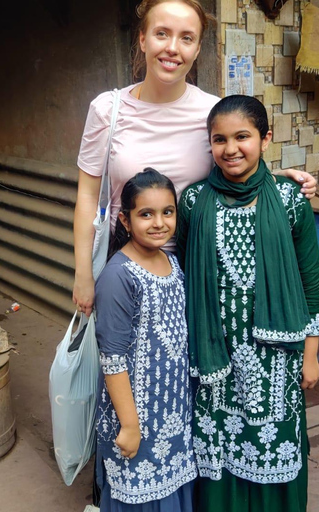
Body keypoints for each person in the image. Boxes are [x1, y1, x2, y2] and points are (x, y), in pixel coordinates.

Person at [73, 0, 318, 317]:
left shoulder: (212, 113)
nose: (173, 48)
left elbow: (234, 170)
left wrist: (281, 177)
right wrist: (83, 275)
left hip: (199, 268)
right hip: (125, 268)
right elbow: (87, 195)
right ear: (143, 39)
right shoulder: (108, 109)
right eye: (162, 33)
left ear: (198, 48)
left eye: (186, 38)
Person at [176, 95, 319, 512]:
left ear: (265, 138)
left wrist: (310, 355)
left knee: (274, 446)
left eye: (243, 136)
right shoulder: (193, 201)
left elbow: (311, 282)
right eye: (219, 139)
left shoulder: (290, 198)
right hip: (214, 355)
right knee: (219, 451)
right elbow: (188, 274)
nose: (231, 148)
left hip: (276, 359)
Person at [94, 169, 196, 511]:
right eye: (146, 214)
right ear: (125, 220)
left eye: (167, 212)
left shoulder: (173, 262)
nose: (159, 223)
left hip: (172, 414)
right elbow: (112, 359)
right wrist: (129, 424)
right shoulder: (118, 276)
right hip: (136, 416)